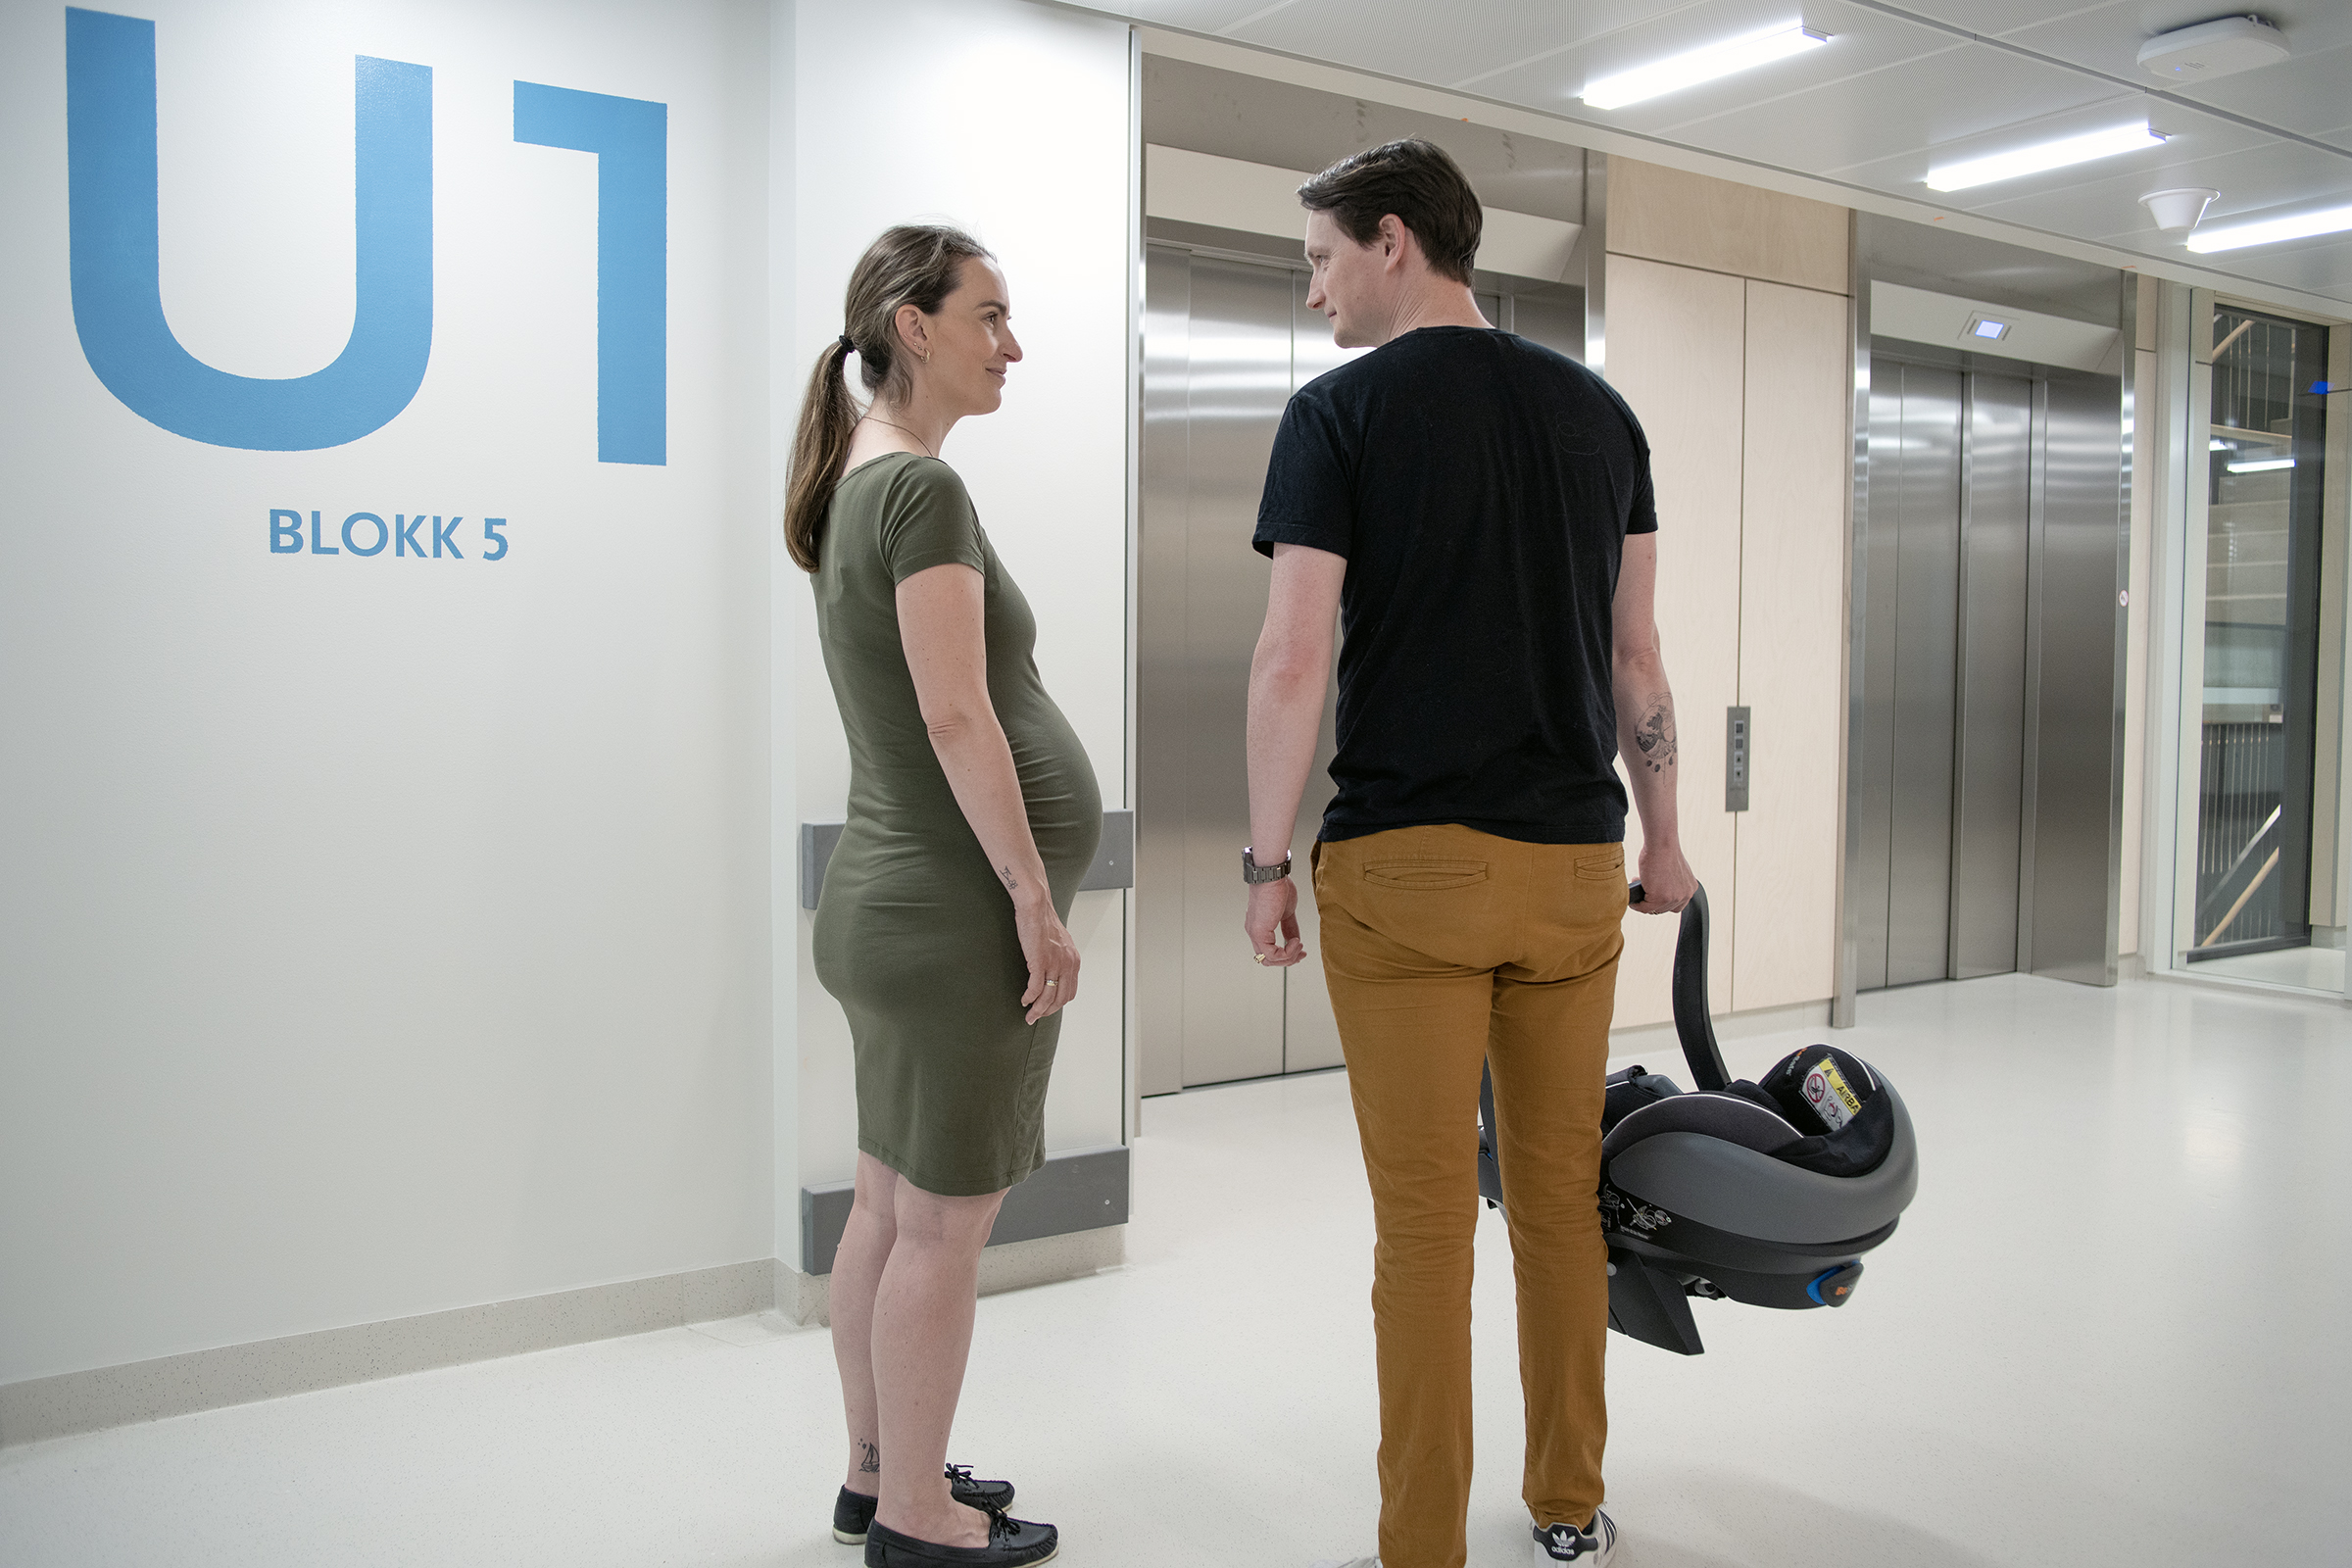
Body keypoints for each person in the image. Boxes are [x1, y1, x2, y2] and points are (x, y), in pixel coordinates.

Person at [1240, 139, 1696, 1568]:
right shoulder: (1601, 416)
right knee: (1559, 1203)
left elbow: (1292, 658)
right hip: (1574, 869)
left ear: (1393, 240)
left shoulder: (1339, 416)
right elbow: (1637, 660)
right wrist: (1667, 841)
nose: (1312, 292)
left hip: (1407, 871)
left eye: (1319, 258)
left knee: (1428, 1227)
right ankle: (1568, 1506)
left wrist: (1265, 862)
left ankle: (1421, 1544)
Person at [787, 223, 1100, 1568]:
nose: (1011, 343)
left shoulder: (856, 480)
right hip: (950, 918)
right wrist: (1031, 899)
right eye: (990, 314)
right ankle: (917, 1515)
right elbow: (960, 718)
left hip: (889, 908)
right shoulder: (920, 493)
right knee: (943, 1231)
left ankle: (879, 1471)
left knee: (887, 1207)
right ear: (912, 326)